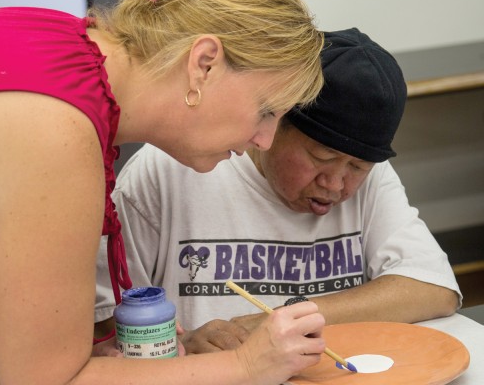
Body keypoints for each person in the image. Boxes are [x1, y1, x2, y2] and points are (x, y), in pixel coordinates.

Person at [0, 0, 326, 384]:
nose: (264, 140)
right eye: (266, 110)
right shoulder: (57, 130)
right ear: (204, 64)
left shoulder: (75, 50)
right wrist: (246, 367)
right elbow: (41, 380)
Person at [94, 28, 462, 354]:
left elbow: (433, 286)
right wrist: (182, 345)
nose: (335, 184)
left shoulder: (374, 177)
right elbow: (105, 323)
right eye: (321, 157)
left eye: (356, 168)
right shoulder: (172, 169)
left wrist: (279, 323)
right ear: (271, 123)